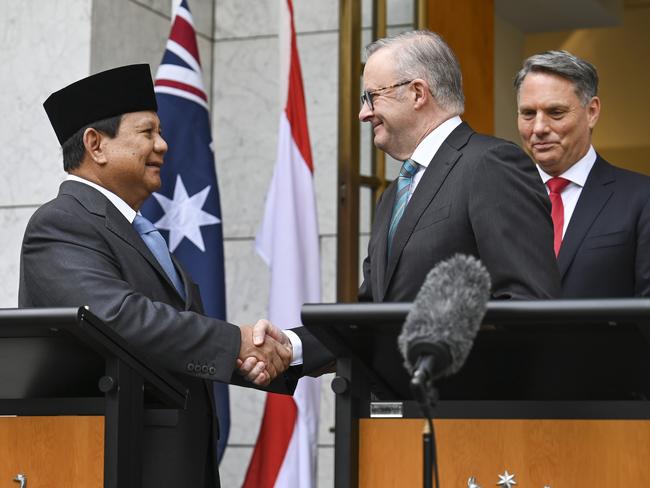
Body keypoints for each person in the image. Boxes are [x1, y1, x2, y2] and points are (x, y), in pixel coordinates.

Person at [18, 64, 324, 488]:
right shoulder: (60, 224)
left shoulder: (141, 234)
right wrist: (237, 341)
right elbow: (118, 319)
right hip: (110, 464)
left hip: (175, 465)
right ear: (96, 144)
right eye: (147, 133)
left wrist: (265, 355)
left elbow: (168, 346)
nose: (163, 145)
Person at [357, 30, 560, 301]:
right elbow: (369, 316)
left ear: (418, 93)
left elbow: (526, 303)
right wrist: (293, 343)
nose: (364, 114)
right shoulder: (392, 196)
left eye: (372, 96)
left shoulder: (491, 166)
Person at [515, 50, 650, 297]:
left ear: (592, 112)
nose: (539, 128)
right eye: (528, 114)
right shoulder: (500, 200)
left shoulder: (641, 198)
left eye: (556, 112)